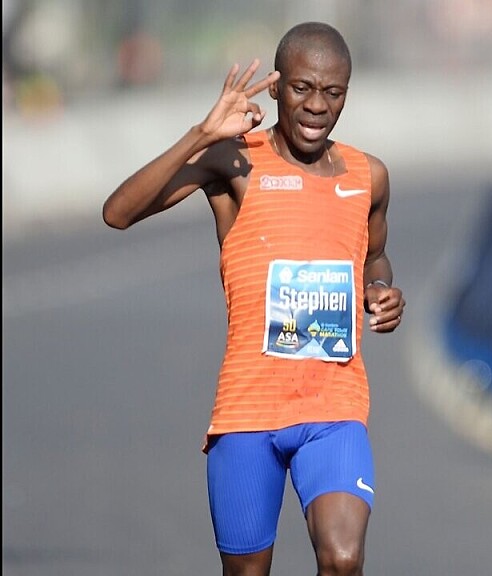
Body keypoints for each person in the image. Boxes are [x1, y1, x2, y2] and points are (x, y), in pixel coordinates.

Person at [102, 22, 405, 575]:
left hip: (334, 408)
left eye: (333, 93)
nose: (317, 106)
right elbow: (118, 213)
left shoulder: (369, 176)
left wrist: (380, 291)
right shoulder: (235, 160)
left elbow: (374, 257)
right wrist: (201, 135)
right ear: (277, 86)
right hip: (248, 413)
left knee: (343, 558)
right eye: (302, 88)